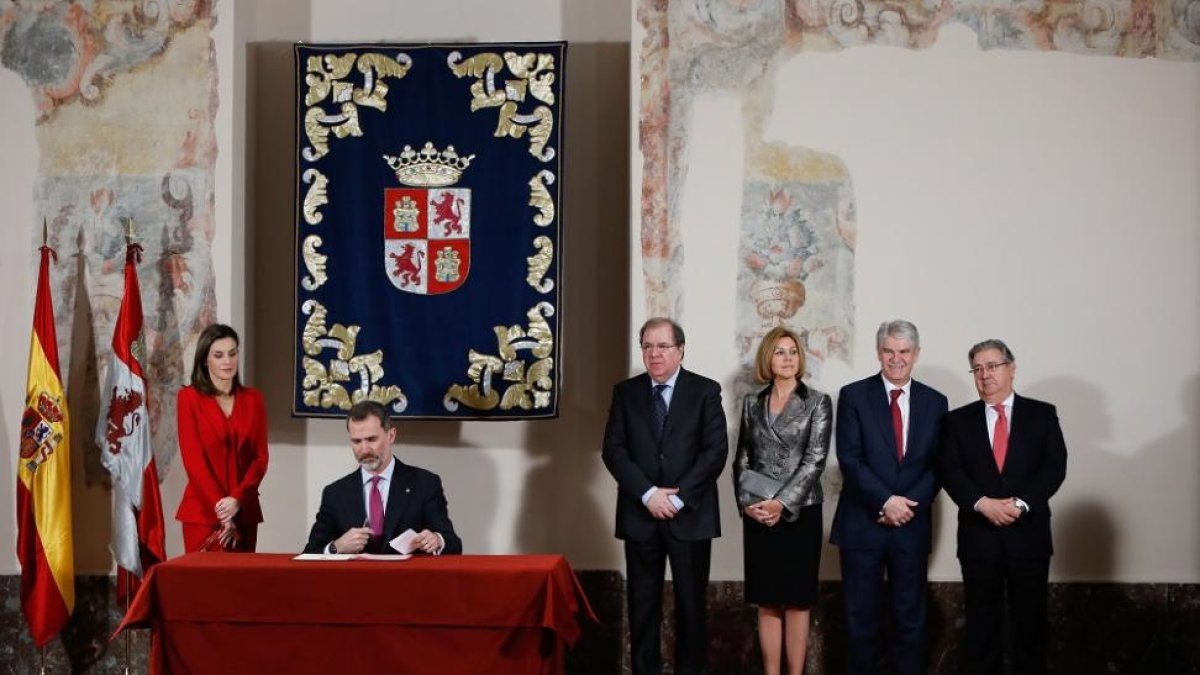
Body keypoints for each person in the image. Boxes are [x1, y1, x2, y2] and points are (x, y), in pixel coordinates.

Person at [602, 317, 729, 675]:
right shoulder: (625, 393)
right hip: (640, 516)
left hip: (689, 516)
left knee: (691, 609)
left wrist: (677, 497)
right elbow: (614, 450)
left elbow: (714, 451)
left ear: (680, 350)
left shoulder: (705, 391)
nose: (654, 354)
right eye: (647, 346)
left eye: (662, 346)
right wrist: (647, 494)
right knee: (643, 610)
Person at [937, 339, 1067, 675]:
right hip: (979, 539)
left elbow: (1054, 467)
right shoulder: (957, 421)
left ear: (1011, 367)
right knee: (981, 628)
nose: (985, 375)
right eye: (977, 368)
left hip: (1029, 538)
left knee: (1031, 626)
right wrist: (982, 504)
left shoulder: (1042, 414)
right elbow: (950, 470)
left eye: (992, 366)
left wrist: (1021, 505)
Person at [829, 320, 948, 675]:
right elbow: (850, 458)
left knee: (910, 621)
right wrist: (885, 502)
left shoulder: (935, 401)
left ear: (916, 355)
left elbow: (940, 464)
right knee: (859, 621)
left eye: (904, 352)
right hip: (862, 526)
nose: (896, 359)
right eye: (889, 351)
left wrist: (905, 507)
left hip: (910, 527)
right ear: (879, 352)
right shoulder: (853, 395)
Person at [733, 326, 832, 675]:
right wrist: (748, 504)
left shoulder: (818, 401)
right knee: (768, 602)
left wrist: (780, 504)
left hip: (799, 514)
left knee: (797, 602)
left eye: (792, 351)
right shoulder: (752, 402)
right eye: (780, 352)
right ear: (768, 359)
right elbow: (742, 457)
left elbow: (815, 461)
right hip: (758, 513)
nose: (787, 358)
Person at [303, 400, 462, 556]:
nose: (364, 449)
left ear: (391, 435)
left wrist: (437, 540)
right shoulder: (335, 493)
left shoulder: (425, 483)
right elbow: (310, 553)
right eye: (357, 441)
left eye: (372, 439)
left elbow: (453, 544)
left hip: (408, 580)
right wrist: (336, 546)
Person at [176, 323, 269, 552]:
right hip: (202, 514)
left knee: (242, 586)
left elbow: (260, 459)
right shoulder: (189, 399)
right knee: (203, 586)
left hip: (244, 511)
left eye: (232, 353)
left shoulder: (253, 400)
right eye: (218, 355)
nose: (227, 361)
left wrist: (236, 500)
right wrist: (221, 510)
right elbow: (194, 462)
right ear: (205, 360)